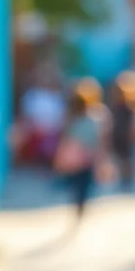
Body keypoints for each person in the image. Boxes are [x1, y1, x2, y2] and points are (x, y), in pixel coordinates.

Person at [54, 88, 102, 220]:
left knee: (78, 184)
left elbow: (65, 138)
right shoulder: (87, 119)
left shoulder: (75, 120)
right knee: (83, 184)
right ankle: (81, 203)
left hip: (77, 158)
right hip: (85, 157)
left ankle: (79, 203)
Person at [108, 71, 135, 190]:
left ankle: (128, 180)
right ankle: (124, 179)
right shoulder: (116, 105)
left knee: (128, 159)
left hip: (127, 136)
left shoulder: (132, 106)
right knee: (122, 159)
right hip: (119, 135)